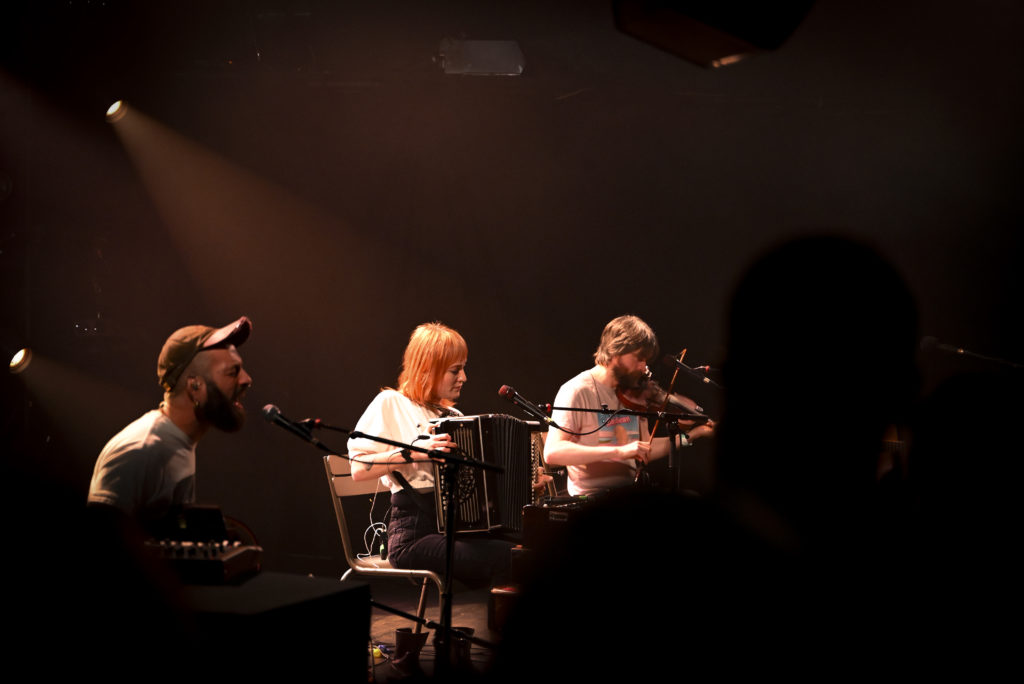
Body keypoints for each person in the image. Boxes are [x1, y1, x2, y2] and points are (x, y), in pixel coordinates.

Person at [347, 322, 511, 587]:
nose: (464, 377)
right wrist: (414, 452)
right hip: (412, 535)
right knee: (507, 559)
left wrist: (518, 481)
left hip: (458, 527)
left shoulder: (453, 416)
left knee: (530, 548)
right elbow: (358, 468)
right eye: (455, 370)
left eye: (463, 368)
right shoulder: (391, 403)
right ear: (427, 370)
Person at [87, 316, 253, 534]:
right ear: (195, 386)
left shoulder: (177, 441)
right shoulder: (139, 452)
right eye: (233, 372)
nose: (247, 379)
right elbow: (98, 544)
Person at [544, 314, 714, 496]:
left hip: (628, 495)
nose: (643, 367)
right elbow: (553, 453)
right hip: (589, 500)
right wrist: (620, 450)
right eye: (639, 359)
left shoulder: (634, 394)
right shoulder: (577, 390)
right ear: (616, 352)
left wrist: (694, 434)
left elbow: (644, 448)